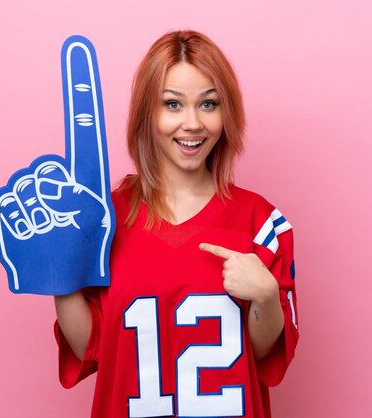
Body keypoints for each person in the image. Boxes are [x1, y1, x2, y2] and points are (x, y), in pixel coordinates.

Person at [54, 30, 299, 417]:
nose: (192, 123)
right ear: (147, 114)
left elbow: (264, 353)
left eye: (208, 104)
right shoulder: (105, 219)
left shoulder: (261, 221)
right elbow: (94, 347)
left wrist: (266, 297)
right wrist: (57, 273)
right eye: (172, 104)